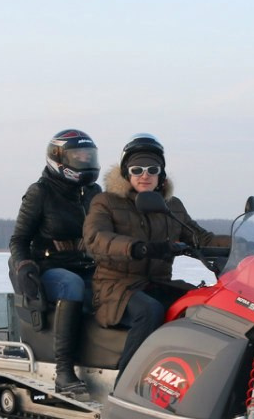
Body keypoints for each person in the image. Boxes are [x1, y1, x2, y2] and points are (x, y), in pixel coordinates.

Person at [84, 133, 230, 372]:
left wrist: (243, 242)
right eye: (137, 169)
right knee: (149, 311)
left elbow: (200, 238)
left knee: (201, 305)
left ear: (161, 175)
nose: (145, 175)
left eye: (152, 169)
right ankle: (125, 383)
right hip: (116, 288)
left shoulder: (171, 206)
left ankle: (187, 376)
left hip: (156, 284)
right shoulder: (106, 202)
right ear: (126, 173)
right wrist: (138, 248)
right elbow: (96, 240)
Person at [9, 129, 101, 397]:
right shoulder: (41, 192)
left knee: (116, 288)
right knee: (71, 285)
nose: (84, 160)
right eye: (78, 155)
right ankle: (64, 371)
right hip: (48, 268)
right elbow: (18, 239)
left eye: (88, 155)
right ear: (59, 159)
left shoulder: (94, 192)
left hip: (86, 264)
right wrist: (24, 265)